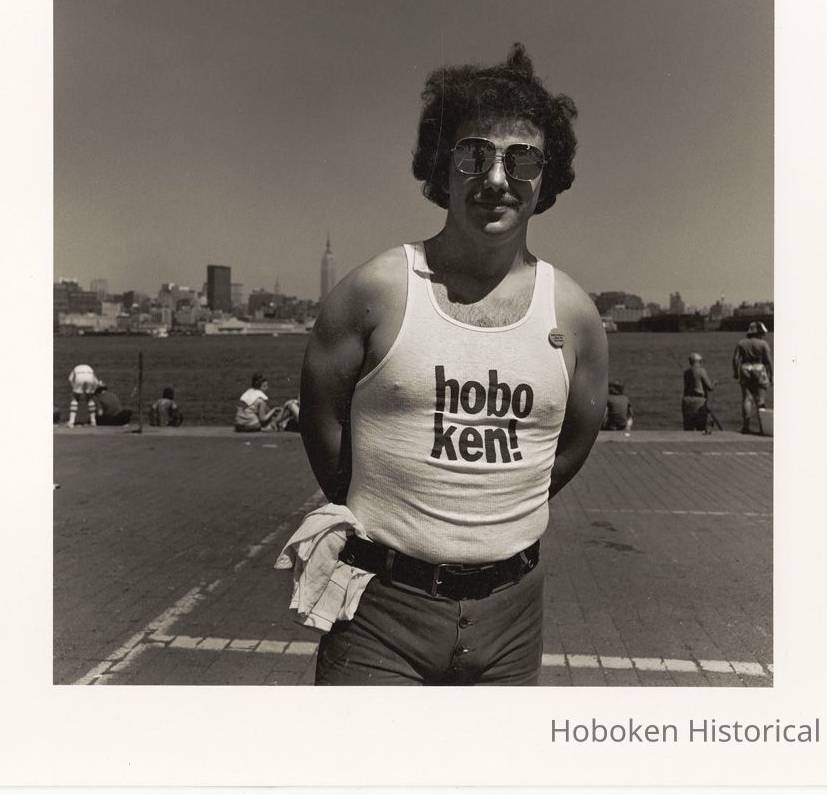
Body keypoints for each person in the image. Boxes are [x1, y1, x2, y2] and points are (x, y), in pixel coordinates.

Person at [295, 43, 607, 685]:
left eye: (522, 159)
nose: (496, 179)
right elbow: (322, 423)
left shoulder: (575, 315)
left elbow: (572, 442)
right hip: (378, 617)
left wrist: (497, 514)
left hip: (513, 621)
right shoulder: (374, 292)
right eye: (473, 154)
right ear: (443, 167)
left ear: (546, 177)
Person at [732, 321, 773, 434]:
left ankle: (746, 427)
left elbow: (735, 359)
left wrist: (736, 372)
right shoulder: (763, 344)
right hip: (759, 368)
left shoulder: (741, 343)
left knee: (747, 399)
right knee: (760, 400)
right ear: (759, 332)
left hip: (745, 369)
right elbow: (769, 361)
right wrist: (771, 376)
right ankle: (763, 428)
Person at [681, 353, 716, 432]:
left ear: (690, 362)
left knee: (688, 429)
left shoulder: (686, 372)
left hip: (686, 401)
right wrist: (714, 382)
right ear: (699, 361)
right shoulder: (701, 371)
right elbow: (710, 387)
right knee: (701, 428)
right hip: (699, 401)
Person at [66, 363, 99, 427]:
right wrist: (93, 391)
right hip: (90, 377)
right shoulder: (89, 368)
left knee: (74, 398)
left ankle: (71, 422)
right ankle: (93, 421)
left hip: (79, 377)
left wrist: (74, 389)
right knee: (90, 399)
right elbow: (96, 382)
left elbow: (70, 379)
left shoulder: (75, 368)